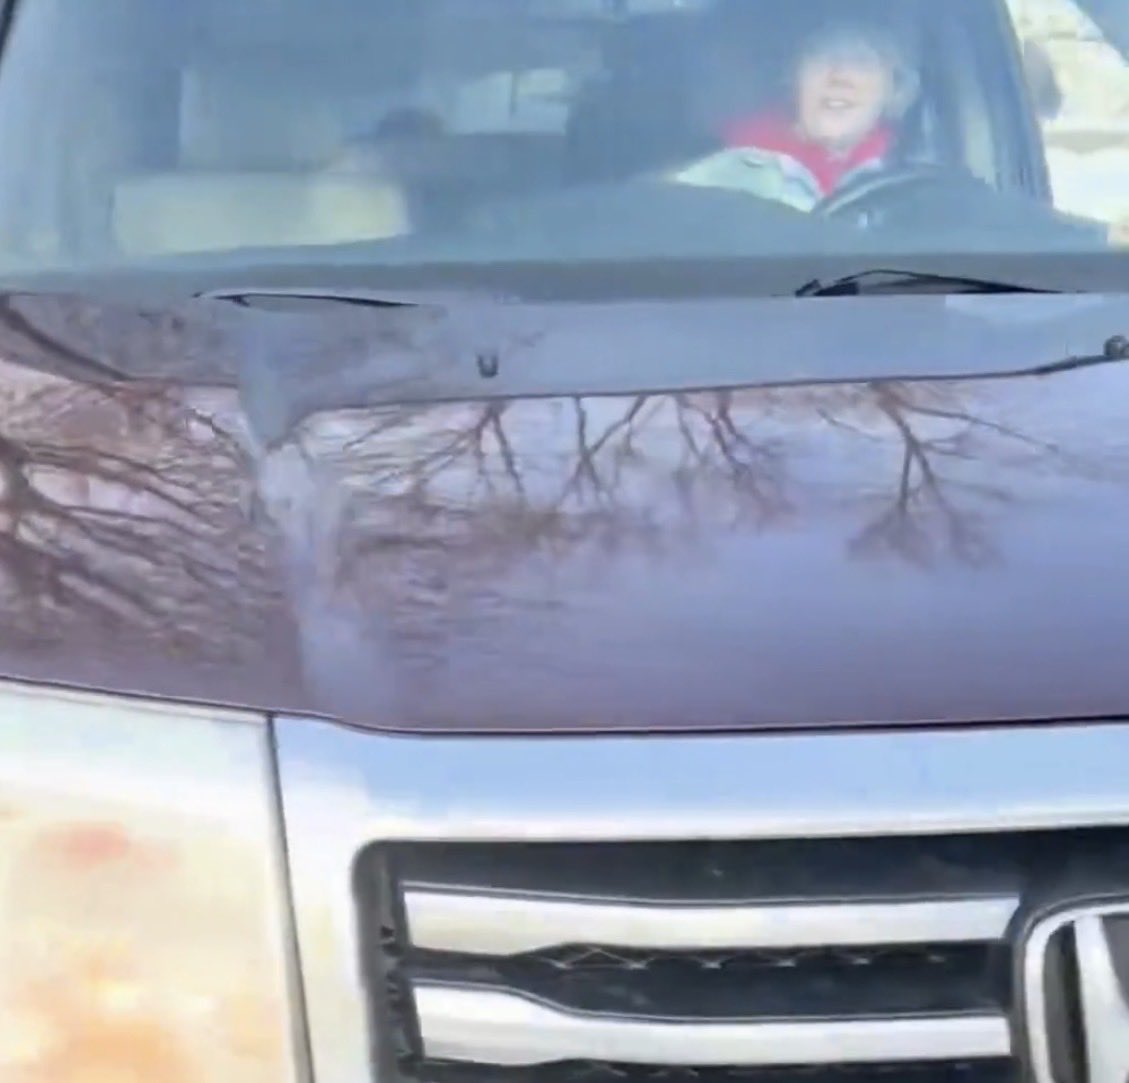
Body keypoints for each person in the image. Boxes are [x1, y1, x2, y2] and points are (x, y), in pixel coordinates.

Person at [675, 20, 920, 211]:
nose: (839, 76)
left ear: (894, 89)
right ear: (794, 79)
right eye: (822, 56)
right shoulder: (727, 174)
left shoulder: (916, 180)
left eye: (861, 62)